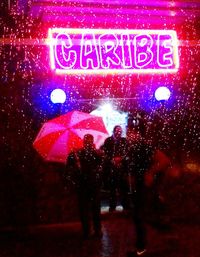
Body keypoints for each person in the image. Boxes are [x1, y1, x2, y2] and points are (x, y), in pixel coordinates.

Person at [66, 134, 103, 239]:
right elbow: (70, 167)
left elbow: (102, 164)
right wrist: (75, 162)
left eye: (90, 141)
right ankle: (87, 231)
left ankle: (97, 230)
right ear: (84, 142)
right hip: (83, 185)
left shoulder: (96, 153)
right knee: (84, 209)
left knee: (95, 209)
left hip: (94, 184)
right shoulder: (77, 153)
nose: (88, 143)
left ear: (92, 142)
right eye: (87, 141)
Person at [126, 126, 155, 256]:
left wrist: (149, 173)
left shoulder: (144, 146)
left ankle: (141, 248)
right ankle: (140, 247)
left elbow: (163, 160)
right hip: (138, 185)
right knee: (137, 216)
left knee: (139, 216)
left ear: (137, 134)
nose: (128, 136)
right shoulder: (133, 148)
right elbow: (134, 165)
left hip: (142, 185)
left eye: (130, 133)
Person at [102, 125, 129, 211]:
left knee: (123, 188)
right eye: (117, 130)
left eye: (120, 131)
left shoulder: (124, 141)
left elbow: (128, 152)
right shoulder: (108, 141)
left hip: (122, 167)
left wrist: (121, 159)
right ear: (113, 131)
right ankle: (112, 206)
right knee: (112, 188)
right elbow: (105, 153)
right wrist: (112, 160)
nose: (119, 132)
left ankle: (125, 206)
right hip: (111, 168)